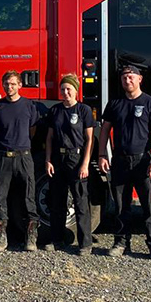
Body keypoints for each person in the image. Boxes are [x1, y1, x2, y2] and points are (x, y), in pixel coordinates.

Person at [97, 63, 151, 260]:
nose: (127, 80)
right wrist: (102, 155)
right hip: (119, 161)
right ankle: (120, 243)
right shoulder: (115, 104)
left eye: (131, 77)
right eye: (124, 77)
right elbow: (104, 131)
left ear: (139, 79)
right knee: (120, 206)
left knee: (149, 206)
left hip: (143, 161)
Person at [0, 70, 39, 252]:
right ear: (3, 85)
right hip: (3, 157)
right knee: (1, 198)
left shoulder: (29, 106)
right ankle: (1, 238)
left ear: (20, 86)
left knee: (28, 197)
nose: (10, 87)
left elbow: (32, 130)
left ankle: (31, 238)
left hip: (24, 156)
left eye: (13, 84)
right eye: (7, 84)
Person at [45, 73, 95, 256]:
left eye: (69, 89)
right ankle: (57, 240)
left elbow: (89, 139)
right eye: (63, 89)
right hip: (58, 159)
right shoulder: (55, 111)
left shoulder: (84, 110)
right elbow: (49, 137)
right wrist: (48, 160)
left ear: (76, 91)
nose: (65, 93)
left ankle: (85, 244)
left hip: (76, 159)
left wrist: (85, 164)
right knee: (57, 202)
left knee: (81, 202)